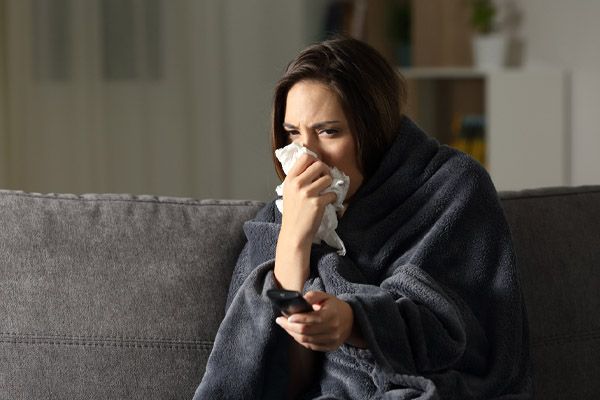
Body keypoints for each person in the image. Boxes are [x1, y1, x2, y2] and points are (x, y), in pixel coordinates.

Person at [194, 35, 533, 399]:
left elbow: (469, 333)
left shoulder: (452, 188)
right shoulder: (276, 222)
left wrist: (356, 322)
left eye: (329, 131)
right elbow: (280, 385)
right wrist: (293, 239)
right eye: (293, 134)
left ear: (372, 131)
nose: (306, 157)